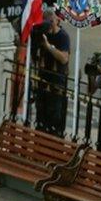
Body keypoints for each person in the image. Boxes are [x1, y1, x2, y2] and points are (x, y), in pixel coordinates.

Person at [32, 7, 70, 136]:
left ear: (57, 20)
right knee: (41, 118)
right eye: (46, 21)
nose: (49, 25)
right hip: (42, 82)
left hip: (56, 85)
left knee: (54, 121)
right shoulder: (42, 33)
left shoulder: (62, 36)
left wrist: (48, 47)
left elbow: (64, 59)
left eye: (51, 21)